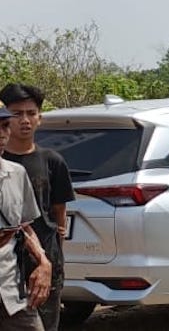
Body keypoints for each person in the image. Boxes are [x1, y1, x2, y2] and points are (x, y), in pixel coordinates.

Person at [0, 84, 73, 331]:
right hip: (10, 269)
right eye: (16, 114)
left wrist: (48, 261)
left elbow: (54, 216)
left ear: (40, 117)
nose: (24, 120)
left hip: (33, 268)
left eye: (31, 113)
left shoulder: (46, 163)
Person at [0, 103, 52, 331]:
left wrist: (43, 262)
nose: (2, 134)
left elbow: (24, 227)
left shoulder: (16, 174)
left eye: (4, 126)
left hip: (10, 289)